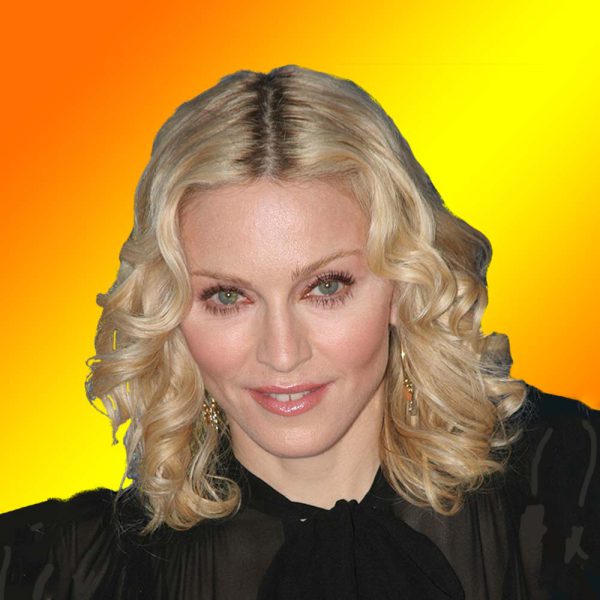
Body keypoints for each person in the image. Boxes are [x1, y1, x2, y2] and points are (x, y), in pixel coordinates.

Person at [1, 65, 598, 599]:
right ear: (170, 312)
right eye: (228, 296)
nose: (282, 354)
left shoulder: (572, 486)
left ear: (404, 284)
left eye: (326, 287)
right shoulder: (61, 570)